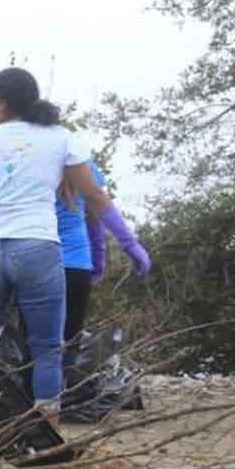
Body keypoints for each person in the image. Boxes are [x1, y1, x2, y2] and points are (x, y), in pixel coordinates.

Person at [0, 68, 117, 412]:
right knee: (47, 347)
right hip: (38, 247)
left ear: (1, 104)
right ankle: (45, 432)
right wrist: (121, 240)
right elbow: (94, 197)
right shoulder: (60, 138)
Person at [53, 157, 151, 403]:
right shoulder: (83, 165)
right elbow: (96, 217)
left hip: (36, 260)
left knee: (36, 337)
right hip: (76, 263)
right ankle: (61, 398)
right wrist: (101, 258)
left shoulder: (29, 162)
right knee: (71, 336)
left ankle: (33, 401)